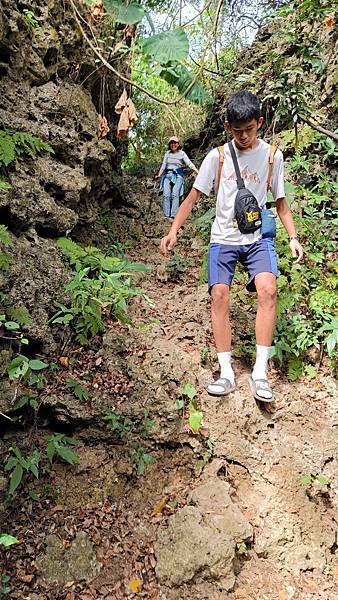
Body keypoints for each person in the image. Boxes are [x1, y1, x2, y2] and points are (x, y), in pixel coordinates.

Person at [160, 90, 303, 402]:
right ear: (228, 126)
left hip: (257, 239)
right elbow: (193, 197)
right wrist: (173, 231)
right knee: (219, 294)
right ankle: (226, 372)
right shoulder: (218, 157)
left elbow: (281, 203)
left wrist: (292, 238)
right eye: (237, 130)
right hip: (223, 237)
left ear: (259, 123)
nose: (243, 136)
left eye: (249, 129)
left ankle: (260, 373)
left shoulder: (271, 156)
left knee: (268, 289)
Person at [157, 136, 199, 219]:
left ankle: (173, 215)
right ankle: (166, 215)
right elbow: (163, 166)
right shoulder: (167, 153)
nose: (173, 144)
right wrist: (159, 175)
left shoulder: (182, 153)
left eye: (175, 143)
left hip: (178, 176)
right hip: (167, 175)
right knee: (166, 195)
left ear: (178, 144)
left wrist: (198, 172)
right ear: (169, 145)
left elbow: (189, 164)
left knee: (175, 194)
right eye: (171, 143)